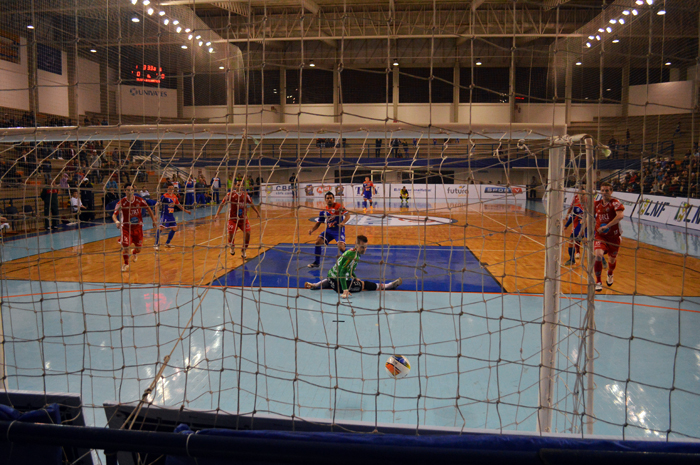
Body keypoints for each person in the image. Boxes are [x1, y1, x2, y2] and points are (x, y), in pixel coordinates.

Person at [304, 235, 403, 298]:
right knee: (363, 285)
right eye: (362, 247)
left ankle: (317, 285)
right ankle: (389, 286)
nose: (364, 249)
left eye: (366, 247)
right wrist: (345, 290)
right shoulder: (353, 256)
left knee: (351, 279)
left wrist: (354, 277)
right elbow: (342, 272)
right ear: (356, 245)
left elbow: (344, 270)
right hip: (339, 286)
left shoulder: (352, 251)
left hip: (330, 278)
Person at [112, 184, 156, 272]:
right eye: (128, 190)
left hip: (138, 228)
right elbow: (114, 215)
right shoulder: (121, 203)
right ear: (125, 191)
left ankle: (134, 252)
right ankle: (126, 264)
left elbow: (148, 209)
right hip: (126, 228)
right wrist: (117, 222)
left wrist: (153, 220)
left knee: (139, 249)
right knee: (126, 247)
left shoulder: (139, 200)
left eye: (131, 190)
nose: (130, 191)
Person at [214, 180, 260, 259]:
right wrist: (217, 213)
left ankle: (243, 250)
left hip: (243, 219)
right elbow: (222, 203)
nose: (240, 186)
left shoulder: (245, 195)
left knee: (248, 234)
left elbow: (251, 203)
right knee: (231, 235)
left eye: (241, 185)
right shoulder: (230, 194)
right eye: (238, 185)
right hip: (233, 219)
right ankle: (232, 246)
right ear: (235, 185)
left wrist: (257, 212)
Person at [593, 182, 625, 291]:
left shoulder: (615, 203)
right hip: (600, 235)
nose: (605, 193)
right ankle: (598, 281)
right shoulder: (596, 204)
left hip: (613, 237)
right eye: (603, 190)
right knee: (598, 255)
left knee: (612, 260)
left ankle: (610, 273)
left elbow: (620, 215)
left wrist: (607, 226)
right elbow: (589, 216)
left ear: (611, 192)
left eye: (607, 190)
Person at [307, 191, 350, 269]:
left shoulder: (338, 206)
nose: (329, 199)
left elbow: (348, 215)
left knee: (342, 248)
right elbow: (319, 222)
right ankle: (317, 262)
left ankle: (350, 261)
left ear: (333, 199)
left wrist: (343, 222)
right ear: (325, 200)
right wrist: (312, 230)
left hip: (338, 231)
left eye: (331, 198)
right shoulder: (323, 211)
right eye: (328, 198)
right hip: (329, 231)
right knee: (317, 242)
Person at [155, 184, 191, 251]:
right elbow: (156, 204)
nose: (171, 190)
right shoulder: (164, 196)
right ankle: (156, 244)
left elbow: (179, 205)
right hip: (165, 215)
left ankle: (167, 243)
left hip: (171, 216)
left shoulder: (174, 197)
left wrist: (186, 211)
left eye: (172, 189)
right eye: (169, 188)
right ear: (167, 189)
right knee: (161, 228)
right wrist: (156, 215)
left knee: (175, 228)